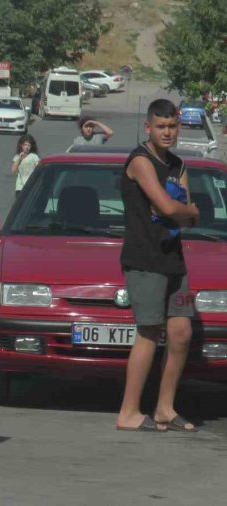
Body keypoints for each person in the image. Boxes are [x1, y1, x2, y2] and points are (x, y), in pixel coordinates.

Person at [116, 99, 200, 432]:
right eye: (160, 126)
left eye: (172, 126)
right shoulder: (140, 160)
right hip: (144, 259)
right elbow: (169, 207)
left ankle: (165, 408)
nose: (167, 132)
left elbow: (191, 218)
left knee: (181, 332)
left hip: (173, 260)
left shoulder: (178, 165)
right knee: (149, 331)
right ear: (148, 128)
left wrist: (186, 211)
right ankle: (128, 412)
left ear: (179, 127)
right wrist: (187, 209)